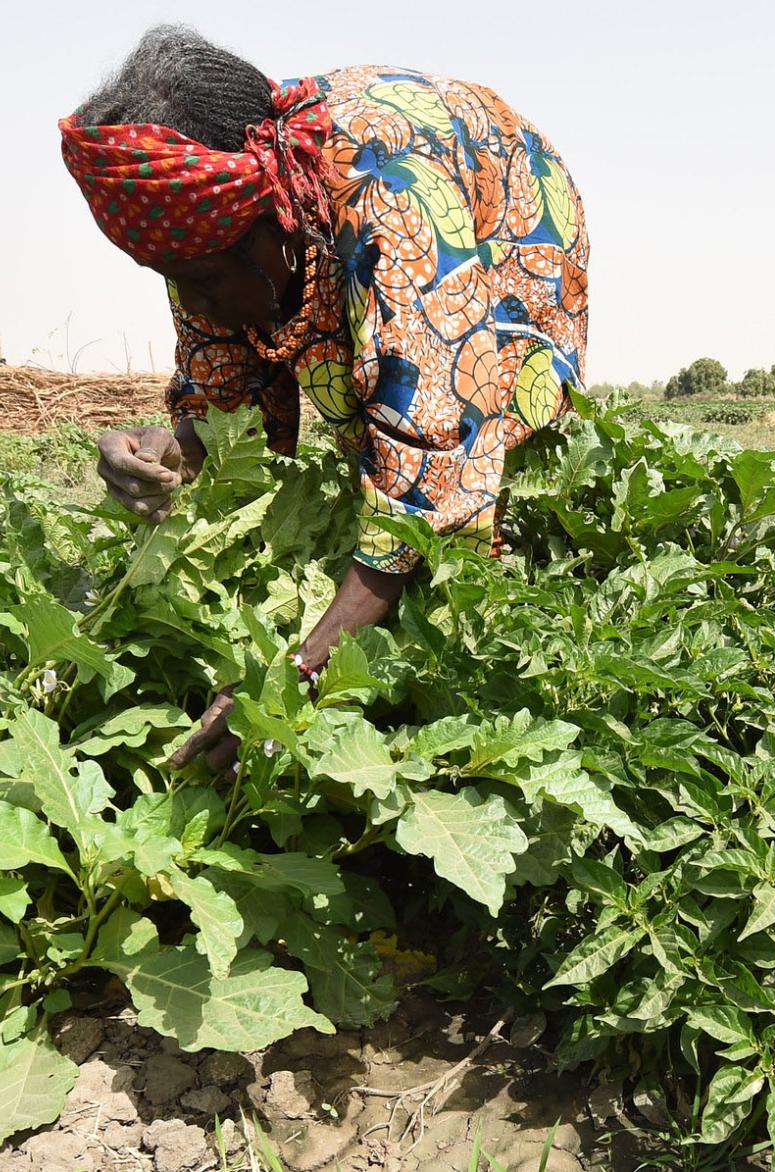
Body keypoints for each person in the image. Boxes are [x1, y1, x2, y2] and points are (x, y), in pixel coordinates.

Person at [59, 26, 589, 772]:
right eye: (173, 279)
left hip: (499, 204)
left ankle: (485, 633)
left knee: (469, 444)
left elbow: (428, 462)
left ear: (268, 221)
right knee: (365, 430)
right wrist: (160, 446)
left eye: (205, 278)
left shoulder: (393, 203)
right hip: (338, 221)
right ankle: (375, 592)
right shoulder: (214, 228)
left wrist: (295, 679)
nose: (196, 302)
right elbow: (220, 396)